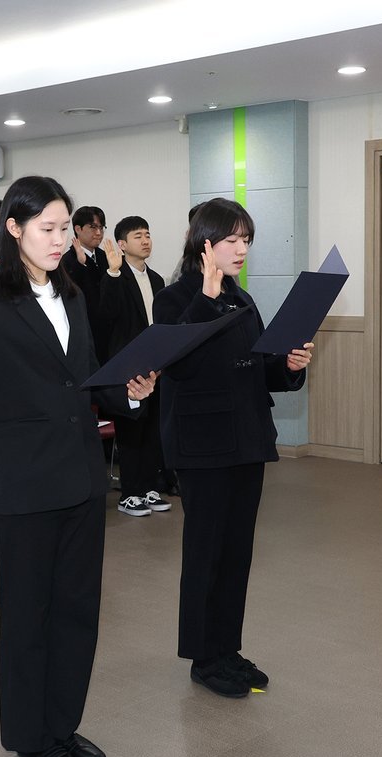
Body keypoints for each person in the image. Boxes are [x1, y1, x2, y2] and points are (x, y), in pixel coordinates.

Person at [0, 175, 157, 757]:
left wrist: (130, 394)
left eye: (65, 228)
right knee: (27, 618)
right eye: (48, 228)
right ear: (13, 228)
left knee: (77, 613)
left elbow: (86, 374)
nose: (61, 239)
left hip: (81, 476)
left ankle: (62, 724)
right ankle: (29, 735)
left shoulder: (72, 294)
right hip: (25, 482)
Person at [153, 197, 313, 699]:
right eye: (232, 240)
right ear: (205, 245)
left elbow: (256, 365)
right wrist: (204, 296)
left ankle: (227, 648)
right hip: (202, 444)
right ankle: (203, 657)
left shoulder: (240, 298)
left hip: (246, 437)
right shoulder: (175, 298)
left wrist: (288, 365)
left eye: (247, 240)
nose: (242, 249)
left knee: (236, 551)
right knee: (206, 551)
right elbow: (178, 365)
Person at [100, 215, 173, 515]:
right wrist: (113, 272)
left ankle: (149, 488)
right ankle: (129, 494)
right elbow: (106, 316)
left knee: (153, 429)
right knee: (132, 431)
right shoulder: (114, 277)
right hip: (128, 365)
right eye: (138, 236)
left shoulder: (156, 279)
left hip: (155, 364)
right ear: (122, 244)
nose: (145, 241)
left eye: (147, 234)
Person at [61, 205, 110, 363]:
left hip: (107, 330)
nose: (98, 233)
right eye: (93, 227)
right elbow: (69, 294)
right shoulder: (67, 261)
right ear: (78, 229)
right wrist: (80, 264)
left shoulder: (106, 257)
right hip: (85, 330)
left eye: (101, 227)